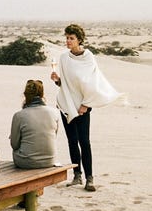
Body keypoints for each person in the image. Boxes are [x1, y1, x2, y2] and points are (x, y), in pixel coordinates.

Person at [50, 23, 122, 191]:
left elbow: (92, 83)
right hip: (66, 104)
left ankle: (89, 178)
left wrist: (85, 105)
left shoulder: (88, 57)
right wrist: (57, 80)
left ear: (79, 40)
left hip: (83, 106)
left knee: (84, 142)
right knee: (72, 141)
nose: (68, 41)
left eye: (71, 38)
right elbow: (66, 84)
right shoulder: (63, 58)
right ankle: (77, 175)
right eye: (66, 38)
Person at [10, 79, 59, 169]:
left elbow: (14, 145)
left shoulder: (19, 115)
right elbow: (53, 136)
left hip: (27, 162)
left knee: (16, 150)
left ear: (25, 95)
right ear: (42, 95)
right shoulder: (54, 112)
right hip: (50, 160)